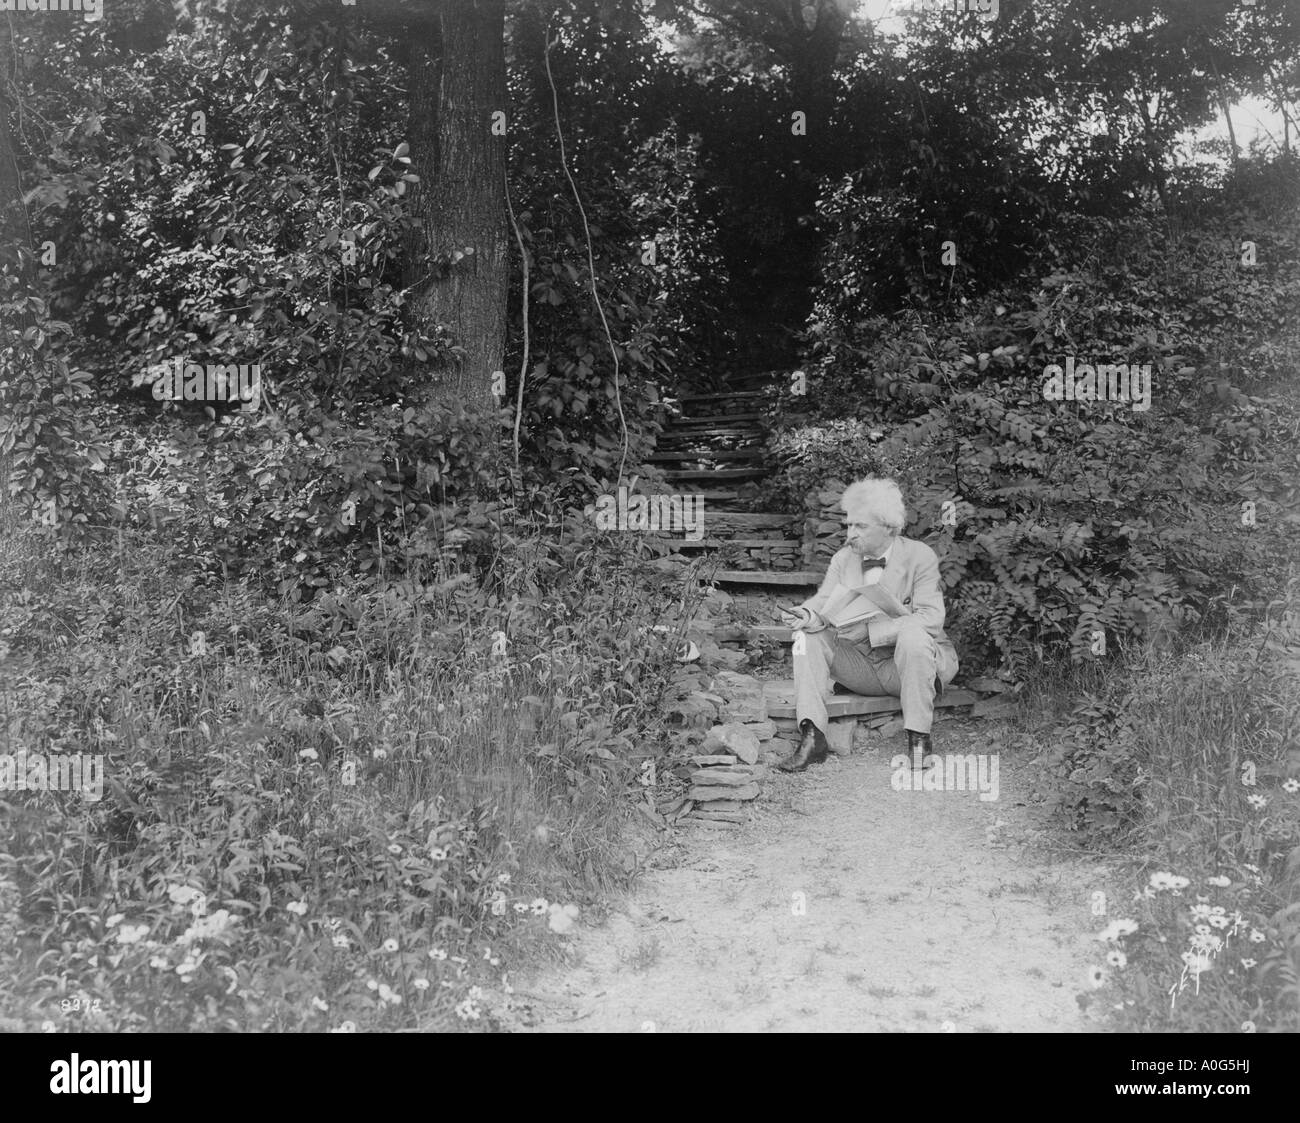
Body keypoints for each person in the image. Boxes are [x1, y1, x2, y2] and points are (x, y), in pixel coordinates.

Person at [777, 477, 958, 773]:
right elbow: (824, 601)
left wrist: (873, 632)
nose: (850, 534)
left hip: (912, 668)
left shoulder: (919, 556)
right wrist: (807, 615)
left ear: (888, 526)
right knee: (804, 638)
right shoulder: (843, 558)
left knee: (913, 635)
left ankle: (919, 739)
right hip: (862, 667)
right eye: (849, 525)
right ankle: (812, 737)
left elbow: (931, 619)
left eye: (860, 526)